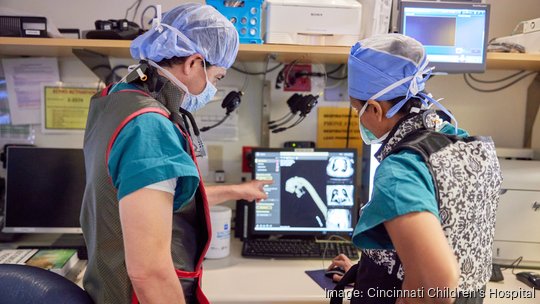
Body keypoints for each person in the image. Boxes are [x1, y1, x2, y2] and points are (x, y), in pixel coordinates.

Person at [80, 4, 271, 304]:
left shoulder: (117, 100)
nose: (214, 90)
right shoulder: (150, 127)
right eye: (217, 78)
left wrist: (238, 190)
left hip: (108, 286)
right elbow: (150, 272)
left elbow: (155, 195)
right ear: (194, 62)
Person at [327, 34, 502, 304]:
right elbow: (445, 239)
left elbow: (438, 283)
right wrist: (367, 271)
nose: (358, 117)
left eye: (356, 109)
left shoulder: (400, 169)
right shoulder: (463, 144)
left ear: (374, 108)